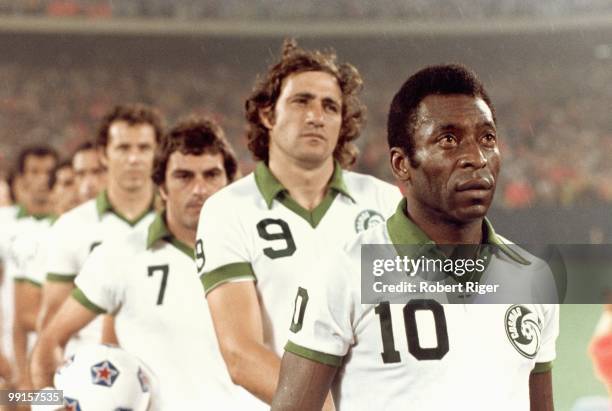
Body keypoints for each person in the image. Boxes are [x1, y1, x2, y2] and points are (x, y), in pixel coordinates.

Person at [271, 64, 559, 411]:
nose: (476, 157)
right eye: (448, 140)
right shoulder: (342, 272)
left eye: (487, 138)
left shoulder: (533, 276)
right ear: (401, 164)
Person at [196, 39, 401, 405]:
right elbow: (241, 355)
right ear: (267, 115)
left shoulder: (386, 203)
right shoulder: (227, 210)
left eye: (330, 106)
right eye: (301, 101)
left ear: (343, 123)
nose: (316, 116)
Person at [31, 117, 258, 410]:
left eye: (211, 175)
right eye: (184, 176)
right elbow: (49, 340)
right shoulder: (119, 254)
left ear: (229, 182)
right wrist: (46, 403)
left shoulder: (263, 253)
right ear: (161, 187)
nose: (199, 189)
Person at [36, 104, 163, 354]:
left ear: (158, 152)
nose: (134, 158)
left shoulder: (178, 225)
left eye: (144, 148)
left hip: (162, 370)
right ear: (104, 154)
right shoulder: (71, 226)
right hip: (88, 373)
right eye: (123, 148)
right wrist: (48, 392)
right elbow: (51, 320)